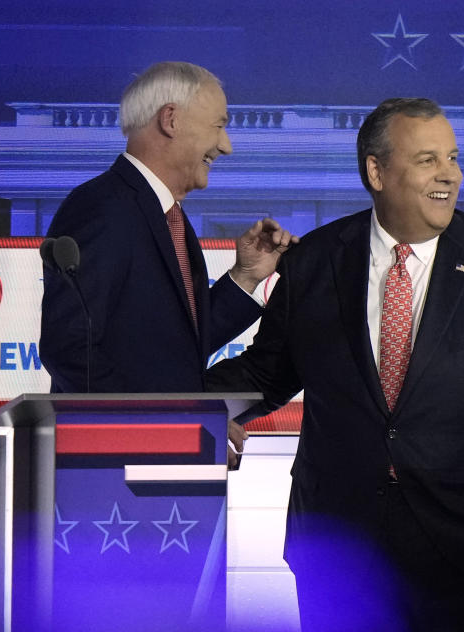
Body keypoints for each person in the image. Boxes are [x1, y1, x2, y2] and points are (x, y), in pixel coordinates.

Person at [207, 98, 464, 632]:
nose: (449, 176)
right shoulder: (315, 259)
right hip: (337, 542)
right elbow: (266, 377)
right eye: (428, 160)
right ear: (377, 171)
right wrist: (176, 407)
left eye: (453, 159)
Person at [40, 62, 296, 410]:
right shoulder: (101, 208)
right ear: (171, 120)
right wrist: (160, 426)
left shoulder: (164, 214)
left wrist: (245, 276)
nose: (226, 145)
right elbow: (69, 348)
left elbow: (174, 347)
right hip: (114, 460)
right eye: (219, 126)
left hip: (158, 458)